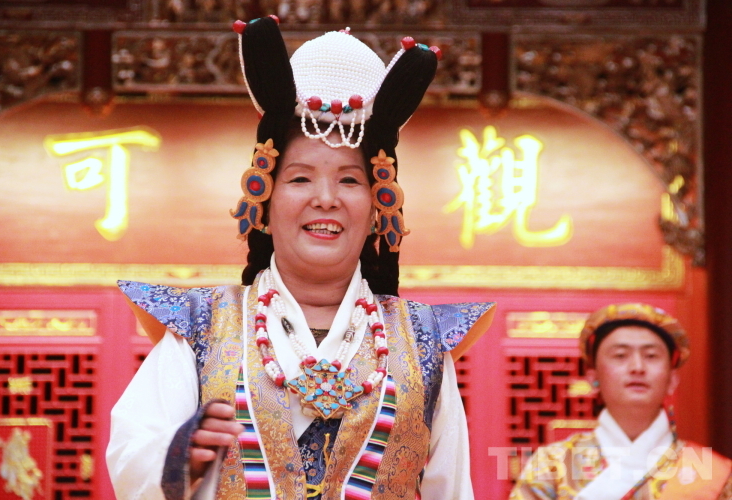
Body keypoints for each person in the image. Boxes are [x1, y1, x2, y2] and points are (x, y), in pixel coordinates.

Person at [106, 16, 496, 500]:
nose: (325, 199)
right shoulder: (202, 326)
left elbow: (451, 489)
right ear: (264, 201)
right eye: (300, 178)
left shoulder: (421, 343)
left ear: (378, 208)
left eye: (349, 180)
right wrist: (181, 457)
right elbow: (133, 456)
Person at [509, 303, 732, 500]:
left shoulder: (713, 472)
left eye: (651, 356)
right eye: (620, 355)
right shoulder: (551, 464)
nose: (637, 367)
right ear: (593, 378)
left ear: (672, 380)